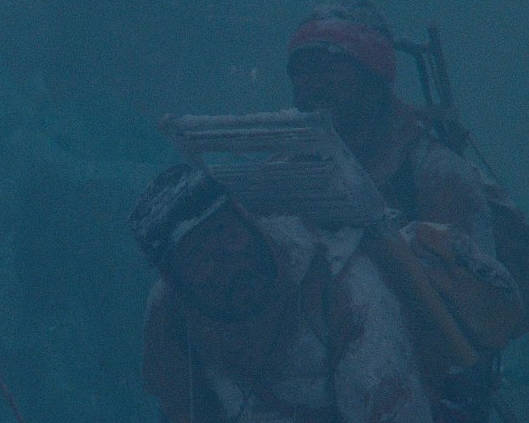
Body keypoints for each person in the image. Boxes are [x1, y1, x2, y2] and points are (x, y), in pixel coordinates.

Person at [285, 0, 524, 421]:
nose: (312, 84)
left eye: (330, 68)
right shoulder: (286, 174)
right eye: (301, 70)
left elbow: (477, 318)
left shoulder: (437, 175)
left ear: (375, 75)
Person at [129, 163, 439, 422]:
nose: (230, 267)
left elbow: (392, 409)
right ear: (176, 280)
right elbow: (181, 409)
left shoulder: (341, 285)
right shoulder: (170, 312)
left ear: (245, 220)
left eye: (230, 237)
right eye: (200, 261)